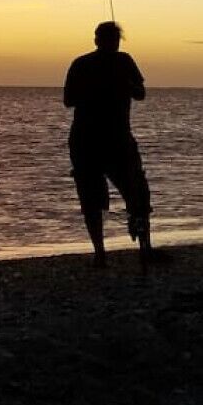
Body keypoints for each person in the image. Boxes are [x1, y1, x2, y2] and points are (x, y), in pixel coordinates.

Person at [63, 21, 154, 265]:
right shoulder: (81, 64)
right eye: (108, 39)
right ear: (97, 41)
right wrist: (96, 90)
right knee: (93, 198)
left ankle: (143, 248)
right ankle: (101, 253)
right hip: (88, 140)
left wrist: (127, 85)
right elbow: (68, 100)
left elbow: (141, 93)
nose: (110, 44)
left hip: (116, 140)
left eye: (114, 40)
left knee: (137, 192)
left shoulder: (124, 61)